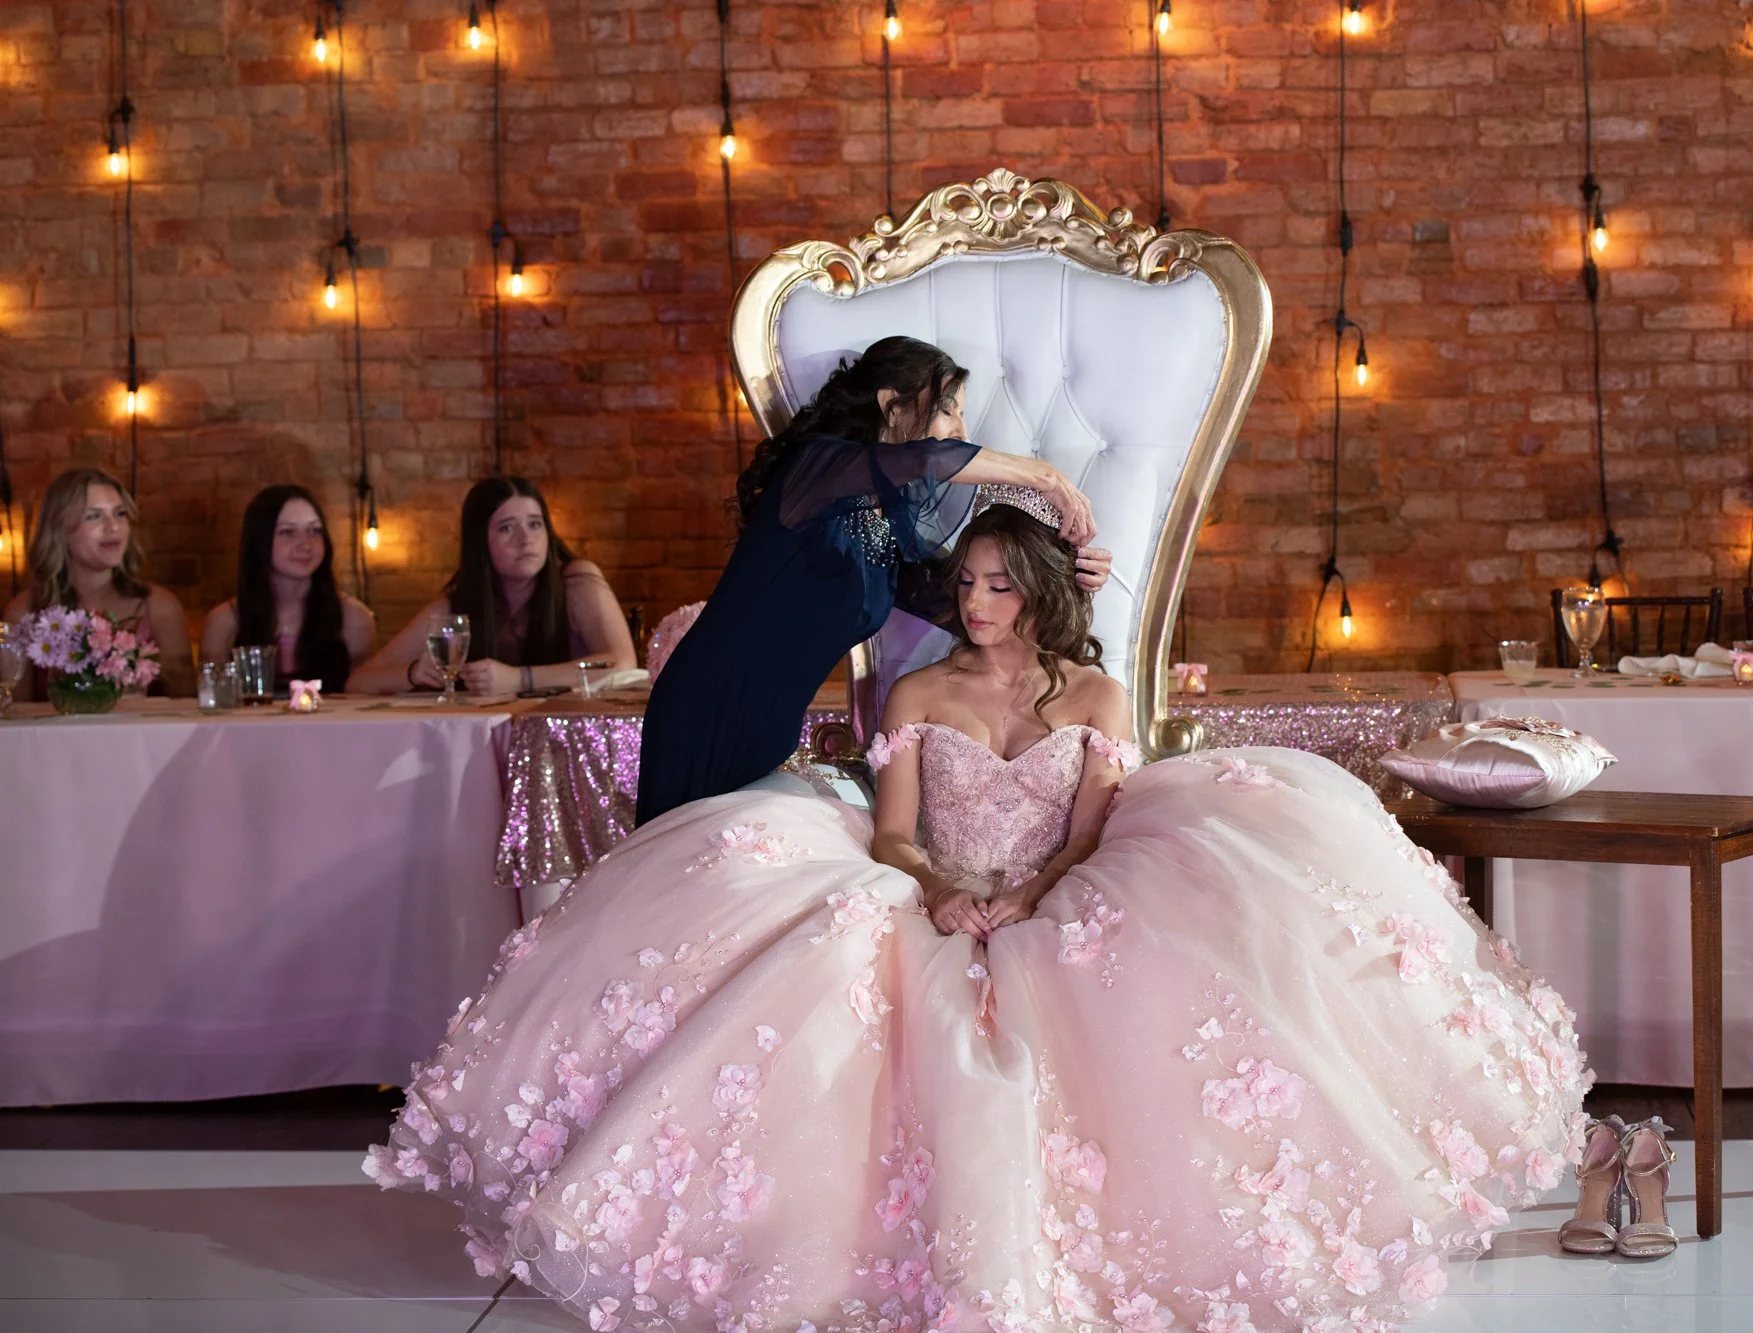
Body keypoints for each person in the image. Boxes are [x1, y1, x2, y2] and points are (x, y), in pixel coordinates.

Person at [365, 488, 1593, 1333]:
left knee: (1201, 936)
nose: (979, 599)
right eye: (967, 581)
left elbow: (1092, 835)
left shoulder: (1096, 697)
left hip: (1058, 888)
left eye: (1002, 582)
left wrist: (1034, 897)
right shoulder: (918, 689)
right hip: (935, 890)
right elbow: (893, 832)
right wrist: (949, 894)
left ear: (1041, 587)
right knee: (798, 945)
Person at [634, 335, 1114, 825]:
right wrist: (1046, 476)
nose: (960, 431)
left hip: (769, 724)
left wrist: (1071, 578)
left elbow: (973, 602)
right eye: (947, 411)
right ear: (891, 406)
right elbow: (929, 459)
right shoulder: (814, 469)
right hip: (707, 703)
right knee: (677, 851)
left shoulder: (887, 526)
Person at [348, 477, 635, 695]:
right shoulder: (459, 602)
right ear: (480, 543)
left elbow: (624, 665)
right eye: (506, 528)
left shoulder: (575, 580)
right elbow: (359, 682)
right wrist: (412, 673)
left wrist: (519, 679)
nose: (526, 539)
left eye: (535, 524)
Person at [2, 467, 194, 698]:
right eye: (93, 516)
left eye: (120, 513)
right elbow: (14, 712)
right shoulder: (24, 611)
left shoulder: (160, 607)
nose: (113, 527)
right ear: (59, 529)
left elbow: (187, 706)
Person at [199, 485, 377, 692]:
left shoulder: (353, 618)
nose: (305, 544)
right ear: (260, 541)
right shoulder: (225, 621)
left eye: (314, 530)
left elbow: (365, 698)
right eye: (288, 532)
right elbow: (212, 700)